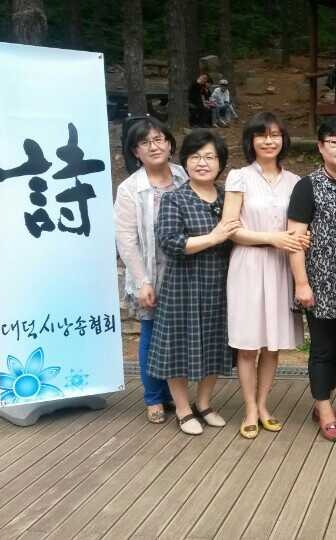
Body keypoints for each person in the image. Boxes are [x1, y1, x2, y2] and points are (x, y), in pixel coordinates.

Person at [147, 129, 239, 436]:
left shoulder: (228, 197)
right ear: (185, 161)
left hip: (220, 283)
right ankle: (183, 409)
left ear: (220, 163)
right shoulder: (175, 198)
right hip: (183, 286)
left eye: (210, 157)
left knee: (215, 343)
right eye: (196, 157)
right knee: (178, 347)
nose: (202, 163)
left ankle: (204, 403)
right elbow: (170, 242)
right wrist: (213, 237)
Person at [223, 112, 307, 439]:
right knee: (248, 344)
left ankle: (263, 405)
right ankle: (248, 408)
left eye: (275, 135)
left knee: (272, 344)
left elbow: (299, 227)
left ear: (283, 139)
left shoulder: (295, 181)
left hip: (281, 267)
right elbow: (231, 229)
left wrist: (301, 238)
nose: (269, 141)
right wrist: (273, 238)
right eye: (262, 135)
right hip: (248, 264)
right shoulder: (239, 178)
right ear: (251, 141)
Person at [287, 116, 336, 442]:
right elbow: (295, 239)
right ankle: (324, 409)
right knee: (322, 347)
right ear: (320, 147)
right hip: (320, 281)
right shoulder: (308, 186)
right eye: (334, 142)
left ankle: (323, 400)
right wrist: (302, 283)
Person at [114, 118, 187, 424]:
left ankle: (174, 394)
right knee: (152, 333)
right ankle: (154, 397)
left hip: (185, 271)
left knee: (179, 335)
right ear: (136, 152)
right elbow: (126, 240)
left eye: (159, 139)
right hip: (151, 274)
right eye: (145, 143)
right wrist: (143, 280)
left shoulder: (184, 175)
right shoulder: (130, 188)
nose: (154, 147)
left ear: (169, 144)